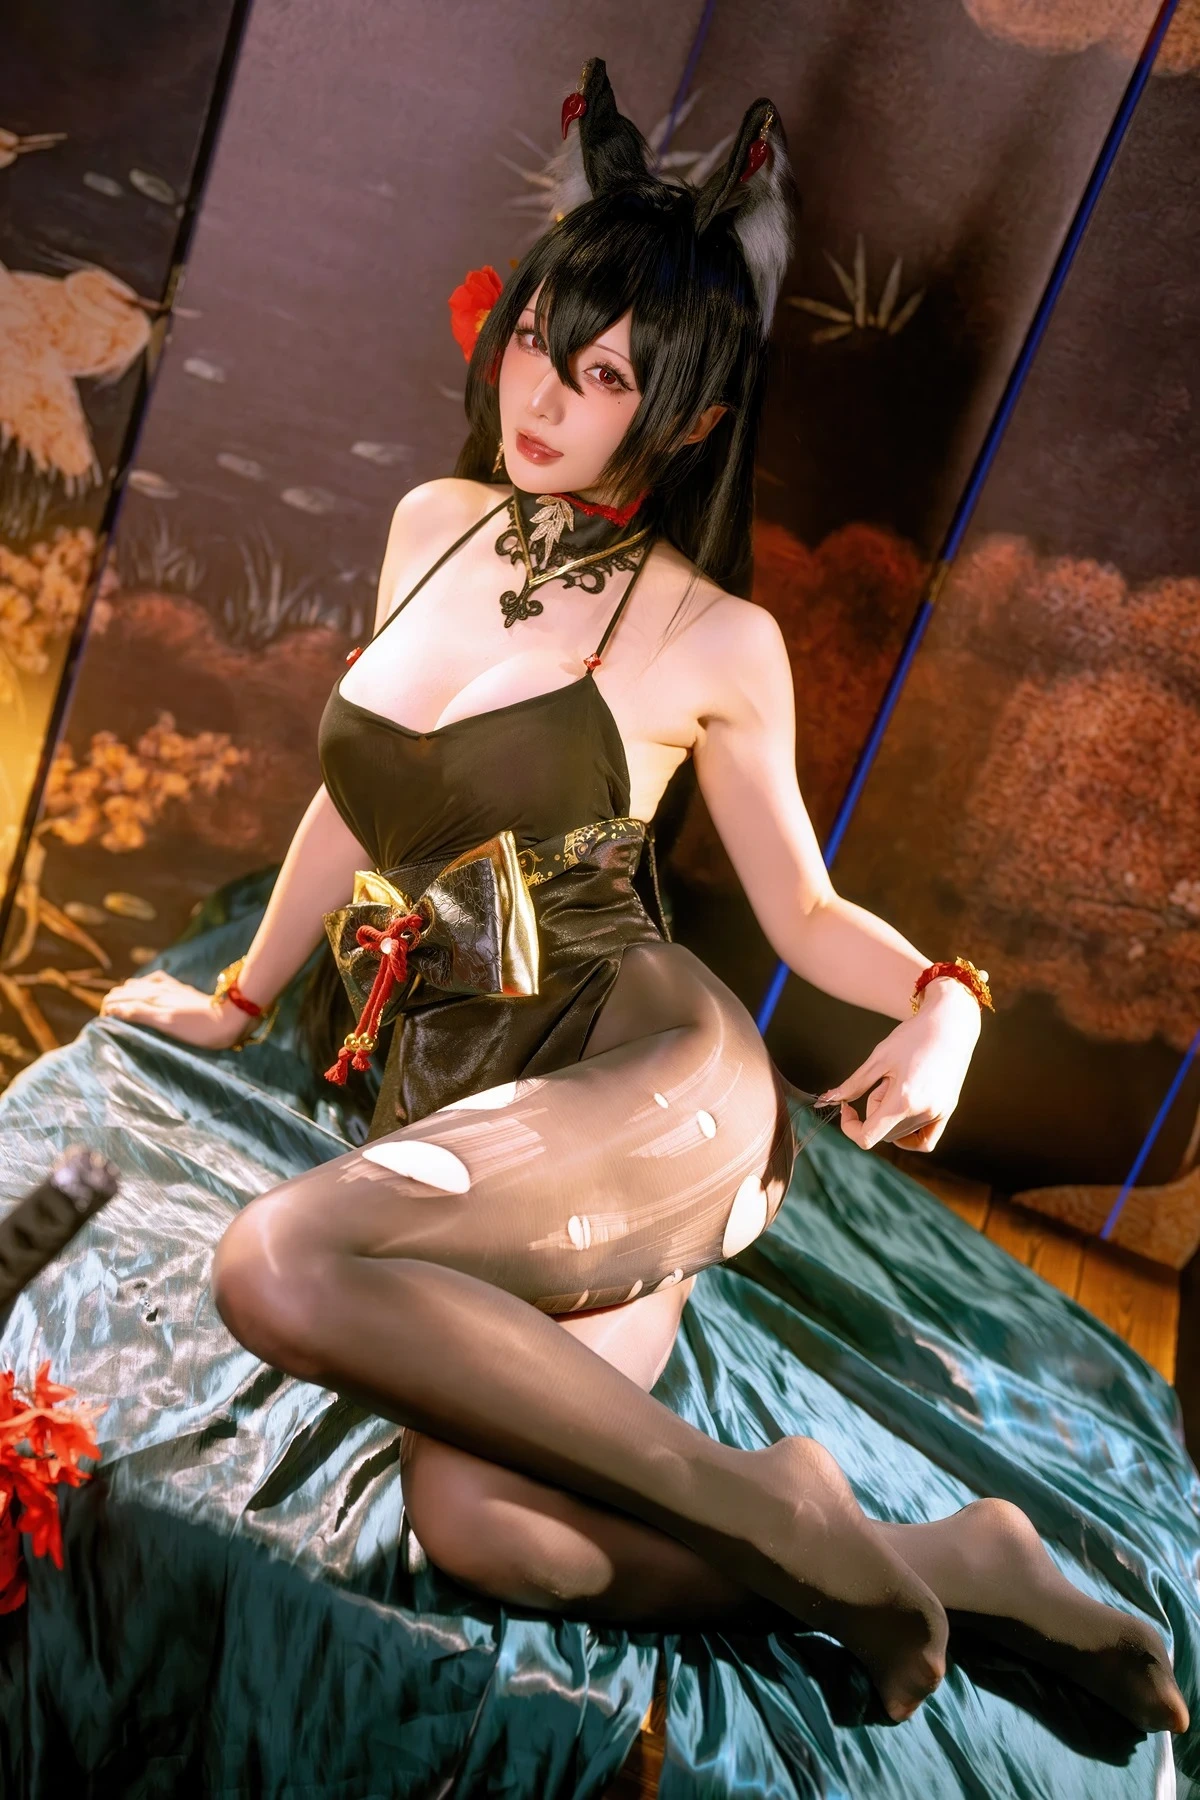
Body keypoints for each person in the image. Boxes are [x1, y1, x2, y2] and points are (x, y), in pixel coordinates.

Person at [96, 60, 1187, 1734]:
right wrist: (241, 999)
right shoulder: (434, 523)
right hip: (470, 1091)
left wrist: (945, 1002)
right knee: (495, 1534)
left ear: (680, 419)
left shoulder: (715, 638)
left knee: (278, 1261)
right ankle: (936, 1555)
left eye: (603, 376)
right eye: (541, 341)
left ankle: (787, 1515)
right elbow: (356, 793)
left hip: (651, 1075)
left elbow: (804, 912)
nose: (544, 396)